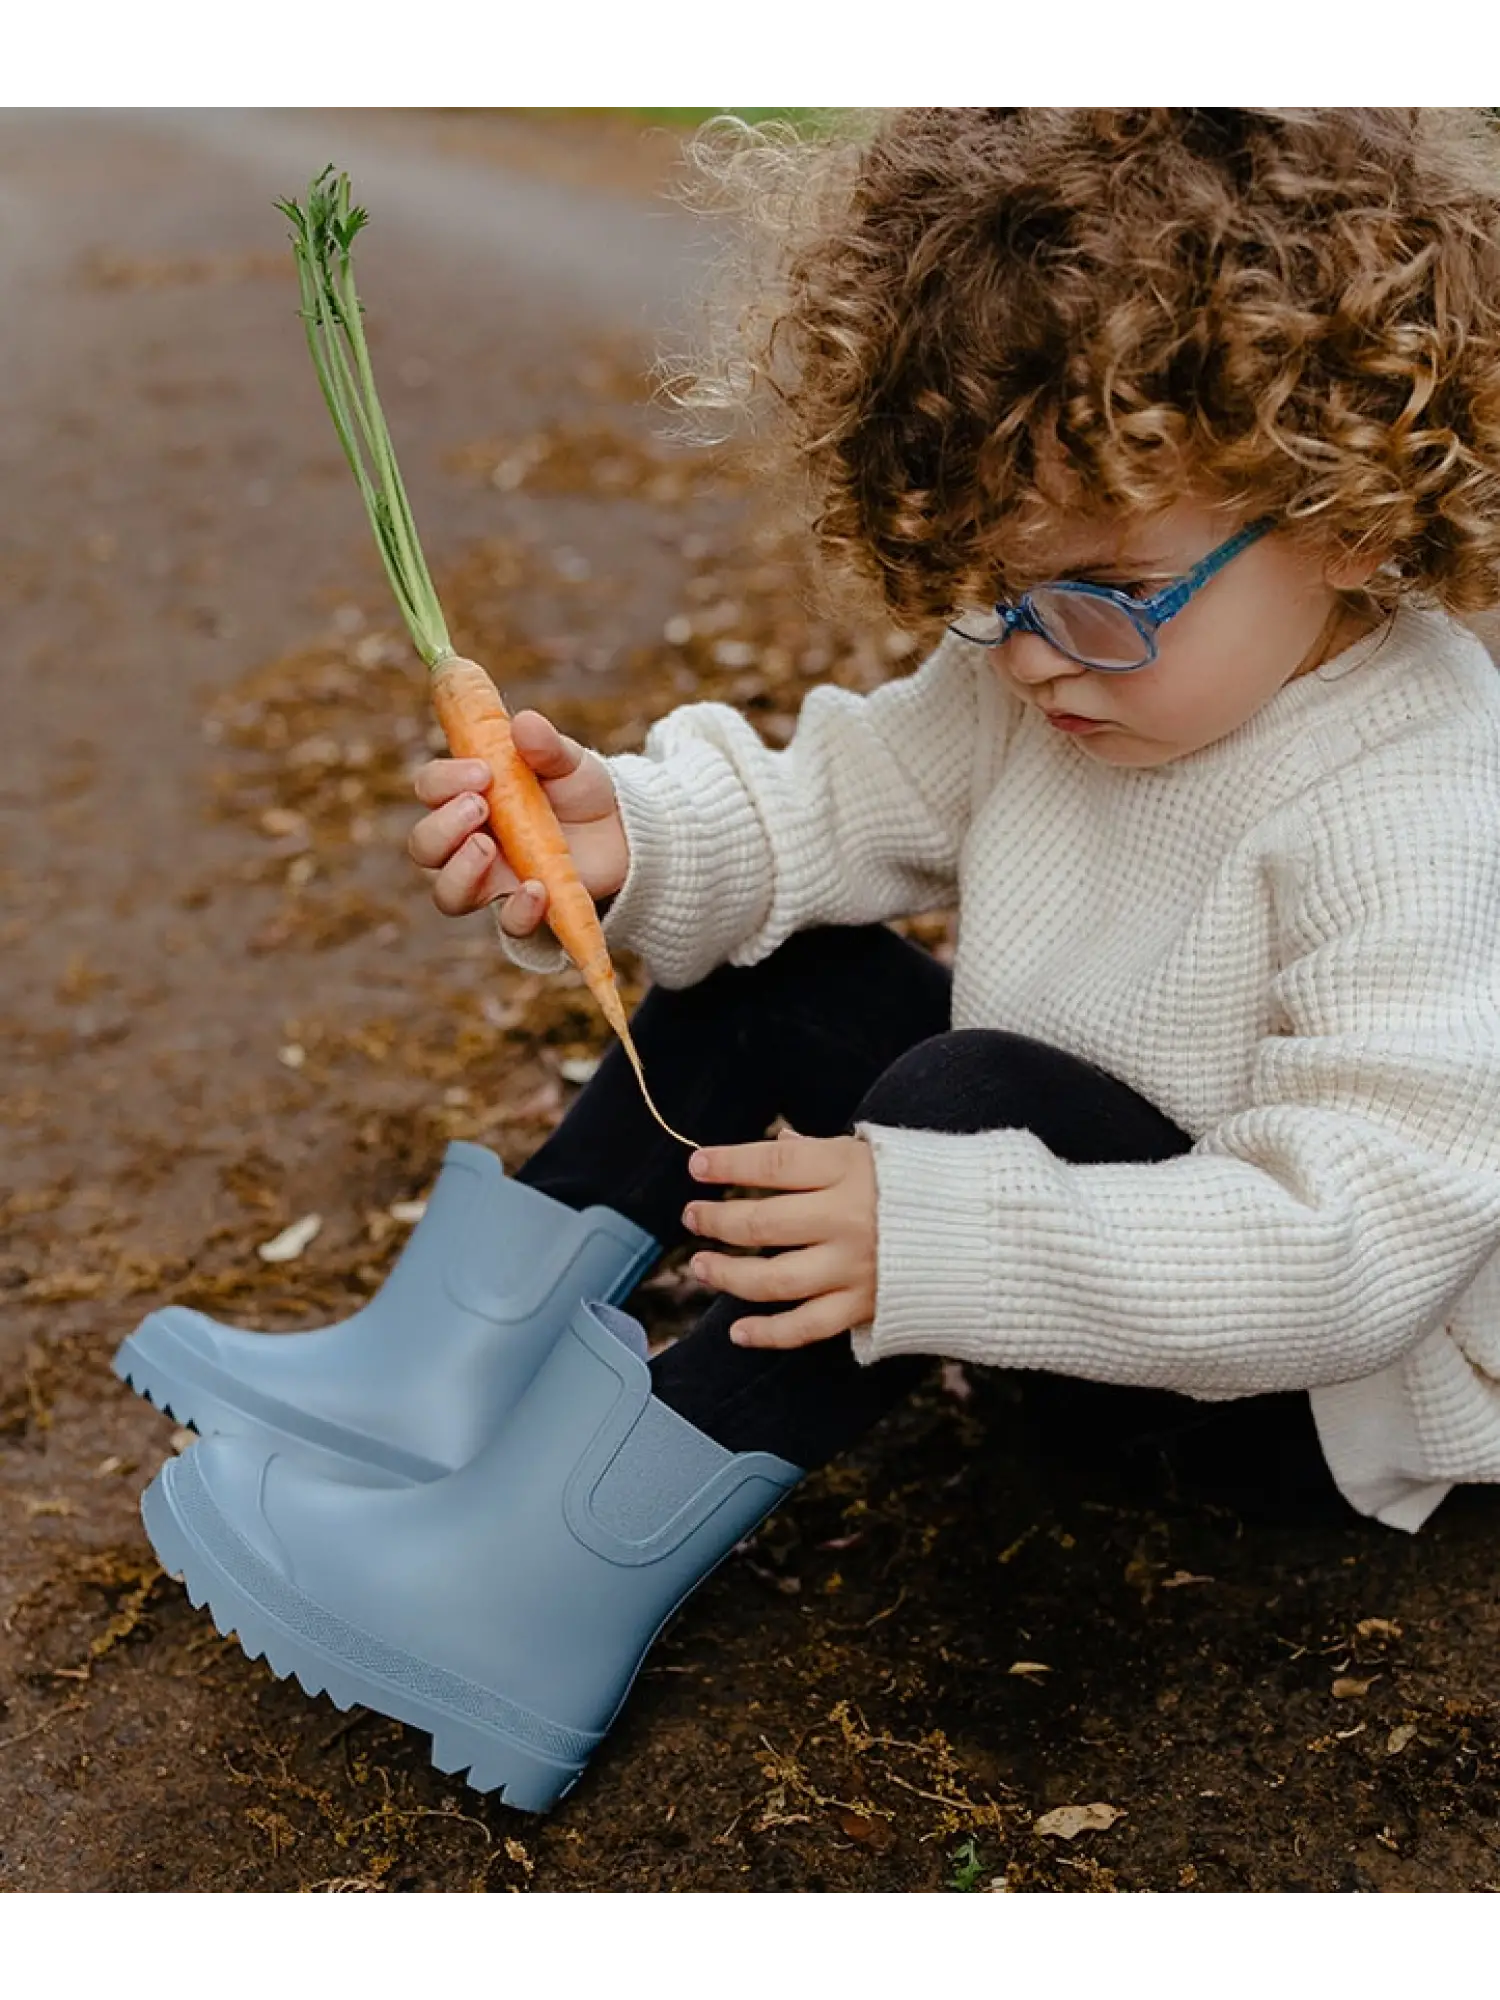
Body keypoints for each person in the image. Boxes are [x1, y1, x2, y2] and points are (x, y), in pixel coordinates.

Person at [129, 106, 1500, 1812]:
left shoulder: (1420, 798)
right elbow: (826, 808)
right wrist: (630, 840)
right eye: (989, 588)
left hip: (1288, 1393)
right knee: (781, 971)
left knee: (964, 1092)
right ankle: (439, 1382)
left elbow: (1360, 1244)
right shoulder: (1057, 669)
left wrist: (945, 1229)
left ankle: (525, 1590)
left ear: (1349, 510)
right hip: (1056, 1243)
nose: (1030, 660)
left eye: (1099, 594)